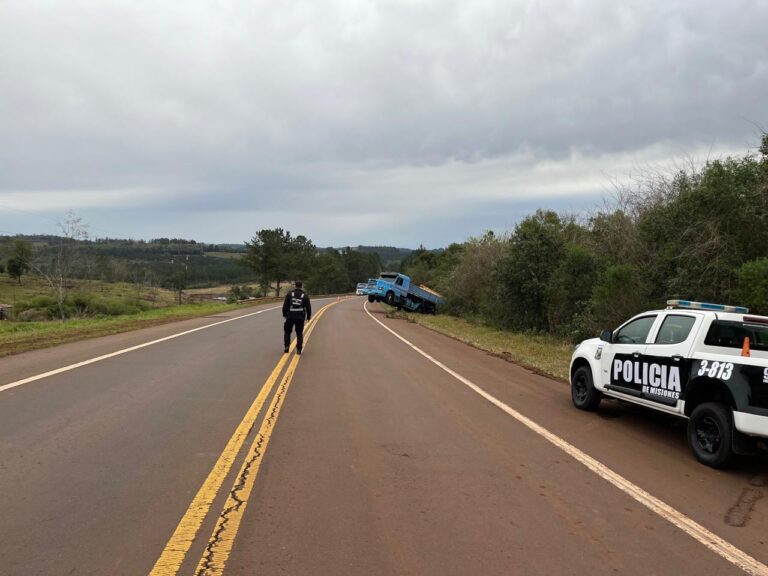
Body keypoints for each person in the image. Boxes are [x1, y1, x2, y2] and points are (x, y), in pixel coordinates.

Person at [282, 280, 312, 354]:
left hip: (290, 316)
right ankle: (299, 349)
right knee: (299, 333)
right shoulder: (305, 295)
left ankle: (286, 346)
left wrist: (284, 314)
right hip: (300, 317)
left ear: (295, 285)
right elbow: (308, 307)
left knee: (287, 331)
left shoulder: (290, 294)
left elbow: (285, 305)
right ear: (301, 286)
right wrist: (308, 316)